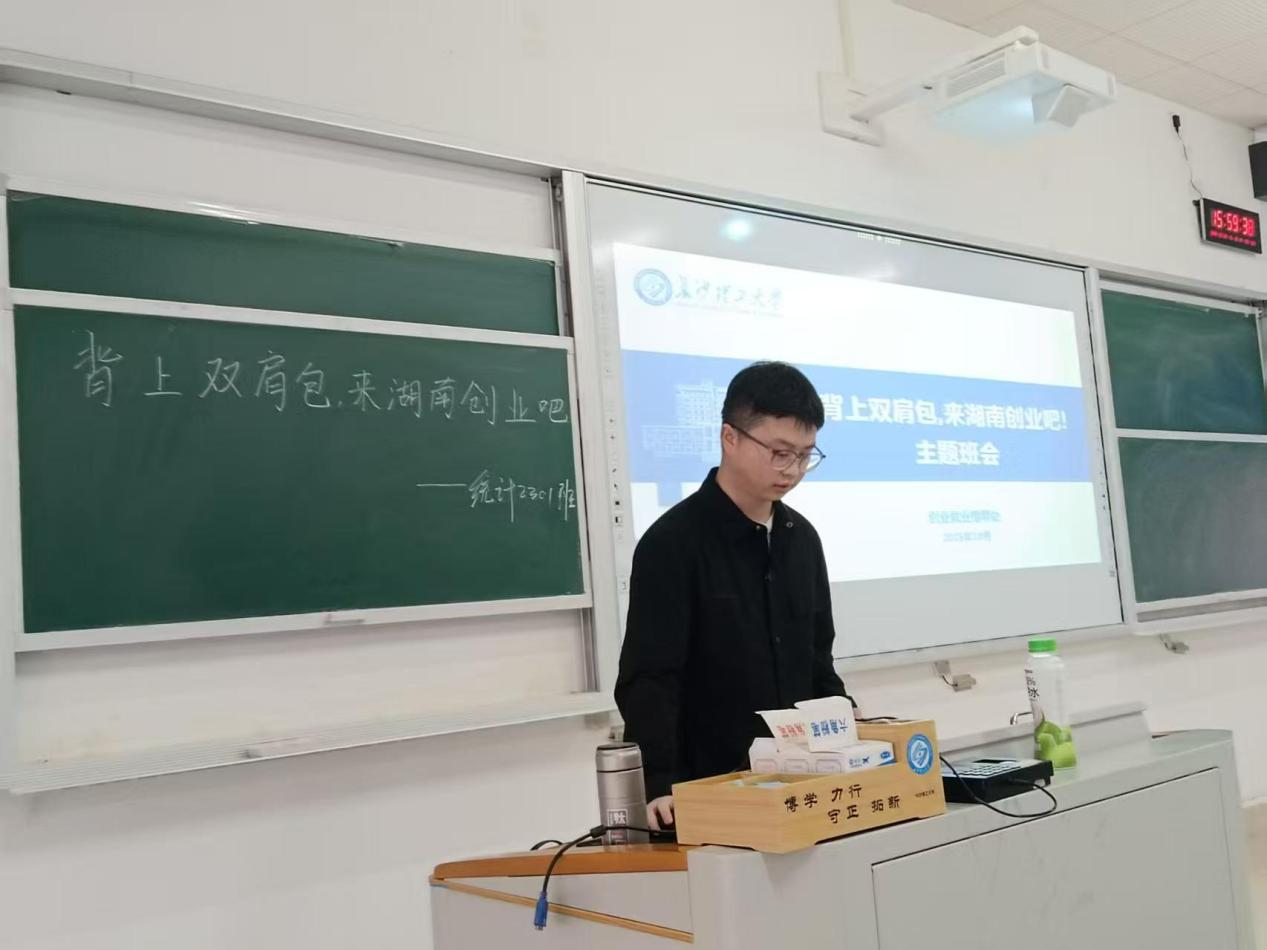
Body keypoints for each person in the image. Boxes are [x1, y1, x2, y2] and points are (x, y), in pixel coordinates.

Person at [615, 361, 852, 831]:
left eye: (805, 455)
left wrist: (847, 726)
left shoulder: (801, 539)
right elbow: (650, 678)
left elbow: (817, 658)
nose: (792, 470)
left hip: (802, 781)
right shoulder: (673, 543)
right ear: (730, 437)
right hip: (711, 786)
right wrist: (660, 781)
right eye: (779, 453)